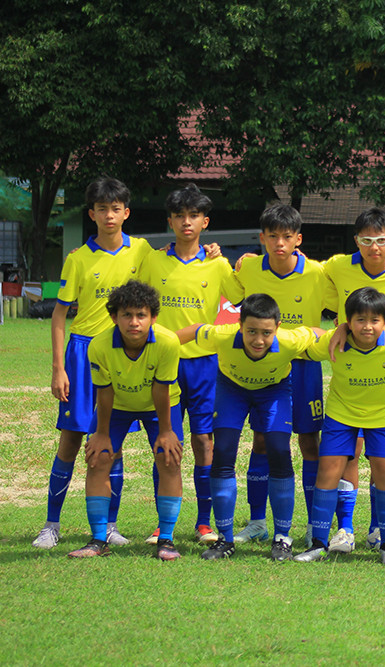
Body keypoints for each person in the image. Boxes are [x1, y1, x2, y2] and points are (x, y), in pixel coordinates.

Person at [34, 177, 153, 549]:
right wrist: (58, 368)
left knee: (111, 444)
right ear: (92, 214)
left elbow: (175, 262)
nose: (109, 215)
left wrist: (213, 250)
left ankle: (111, 524)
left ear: (126, 212)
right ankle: (51, 525)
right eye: (102, 208)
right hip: (83, 354)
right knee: (70, 440)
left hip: (123, 353)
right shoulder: (78, 258)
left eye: (115, 208)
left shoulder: (143, 252)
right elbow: (59, 315)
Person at [181, 293, 321, 561]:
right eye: (251, 331)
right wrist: (155, 345)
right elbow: (193, 331)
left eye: (266, 333)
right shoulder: (222, 335)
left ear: (278, 328)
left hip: (274, 390)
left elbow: (316, 333)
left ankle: (282, 538)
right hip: (232, 389)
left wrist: (339, 332)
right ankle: (225, 539)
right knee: (222, 451)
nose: (258, 340)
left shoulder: (290, 340)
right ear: (239, 325)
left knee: (279, 451)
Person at [228, 203, 336, 546]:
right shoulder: (248, 270)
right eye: (272, 236)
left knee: (309, 442)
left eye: (286, 237)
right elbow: (224, 285)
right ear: (262, 238)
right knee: (261, 440)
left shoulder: (317, 273)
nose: (279, 243)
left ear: (298, 239)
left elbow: (345, 300)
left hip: (304, 367)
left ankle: (313, 523)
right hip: (262, 367)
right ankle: (258, 520)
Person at [294, 288, 385, 565]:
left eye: (375, 320)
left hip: (383, 416)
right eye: (359, 320)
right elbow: (303, 345)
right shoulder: (333, 341)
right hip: (341, 415)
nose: (367, 326)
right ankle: (318, 543)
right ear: (347, 322)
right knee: (328, 471)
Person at [137, 183, 235, 545]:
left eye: (193, 215)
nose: (186, 222)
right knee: (166, 443)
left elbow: (243, 295)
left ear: (205, 221)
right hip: (164, 363)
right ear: (170, 221)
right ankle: (164, 525)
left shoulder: (218, 264)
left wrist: (238, 260)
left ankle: (204, 523)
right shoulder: (153, 260)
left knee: (203, 441)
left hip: (207, 365)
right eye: (179, 216)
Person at [323, 208, 385, 553]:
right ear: (356, 242)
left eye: (381, 240)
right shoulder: (336, 266)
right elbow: (300, 267)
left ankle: (380, 529)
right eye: (366, 240)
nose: (374, 246)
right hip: (350, 381)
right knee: (349, 455)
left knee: (383, 461)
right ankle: (344, 530)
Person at [67, 281, 183, 560]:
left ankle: (166, 540)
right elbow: (104, 392)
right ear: (114, 317)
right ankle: (98, 540)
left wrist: (166, 432)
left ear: (153, 318)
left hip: (160, 406)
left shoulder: (167, 341)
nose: (134, 322)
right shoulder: (99, 346)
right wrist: (102, 434)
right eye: (126, 315)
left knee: (168, 458)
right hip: (117, 405)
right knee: (99, 457)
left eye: (141, 315)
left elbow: (161, 388)